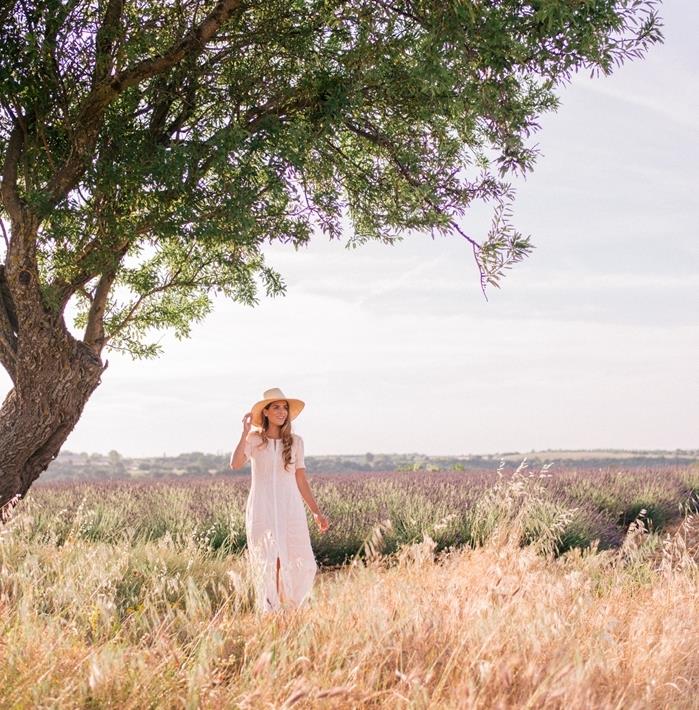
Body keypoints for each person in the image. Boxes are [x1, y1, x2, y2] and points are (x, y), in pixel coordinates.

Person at [230, 387, 329, 614]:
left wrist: (316, 512)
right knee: (268, 560)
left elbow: (301, 479)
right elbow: (235, 464)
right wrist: (244, 432)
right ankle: (271, 612)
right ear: (265, 412)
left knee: (299, 558)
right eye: (276, 407)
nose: (282, 412)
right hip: (262, 507)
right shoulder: (254, 439)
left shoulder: (296, 442)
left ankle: (292, 609)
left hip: (289, 507)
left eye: (284, 408)